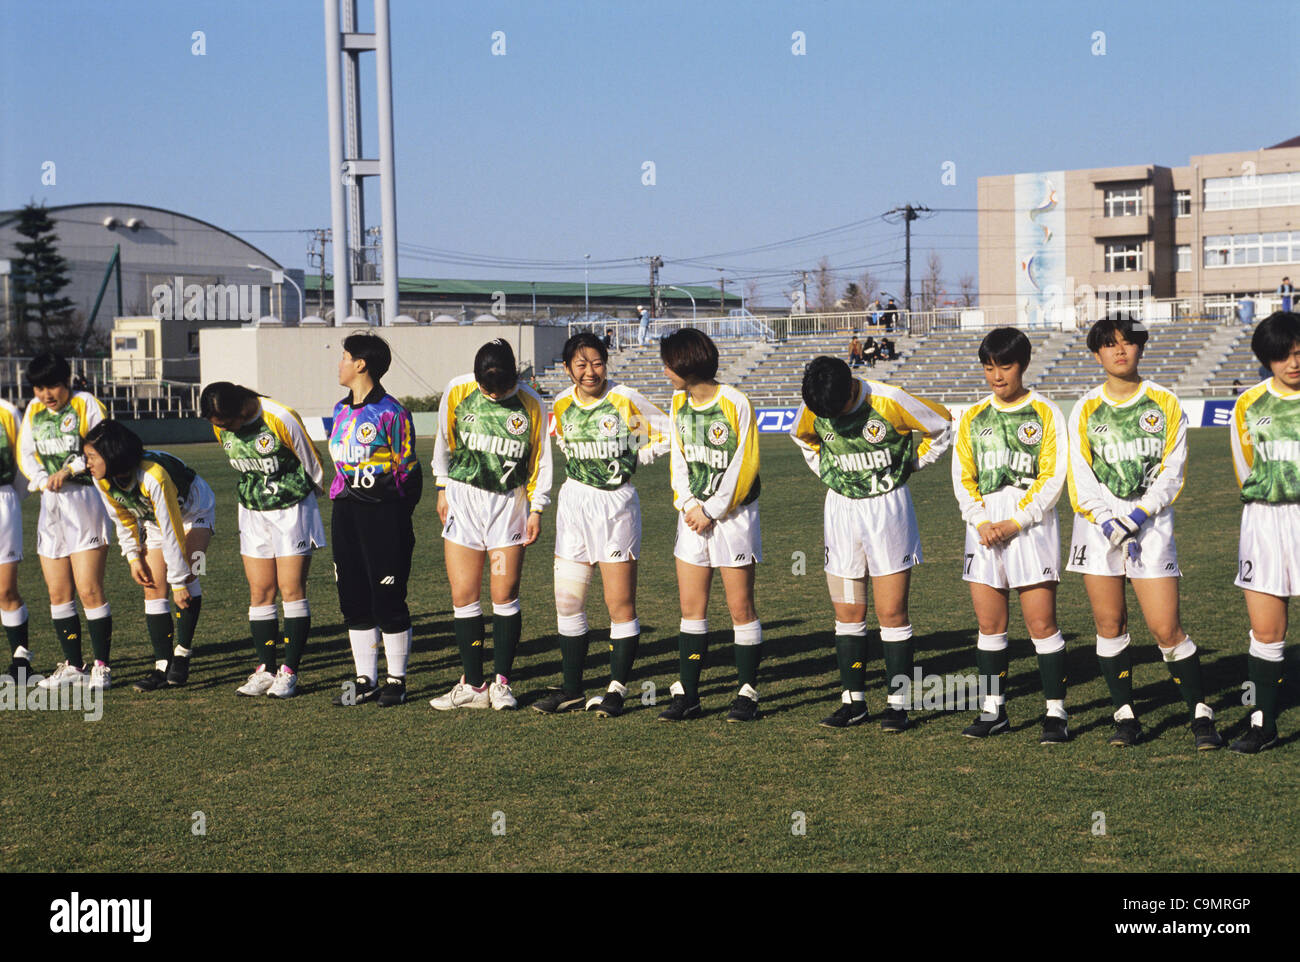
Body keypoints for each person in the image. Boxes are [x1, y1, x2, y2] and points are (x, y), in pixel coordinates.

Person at [1066, 317, 1221, 749]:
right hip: (1097, 528)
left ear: (1140, 348)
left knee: (1166, 628)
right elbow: (1080, 476)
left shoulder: (1164, 401)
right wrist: (1106, 519)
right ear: (1096, 354)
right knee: (1109, 624)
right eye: (1109, 344)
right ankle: (1125, 716)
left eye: (1128, 343)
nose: (1120, 351)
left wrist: (1135, 517)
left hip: (1150, 524)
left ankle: (1200, 713)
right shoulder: (1085, 408)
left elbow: (1172, 471)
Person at [791, 356, 952, 731]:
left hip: (886, 510)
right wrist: (827, 469)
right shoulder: (816, 401)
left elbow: (942, 425)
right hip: (841, 513)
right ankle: (853, 702)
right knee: (848, 612)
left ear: (851, 388)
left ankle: (898, 705)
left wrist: (912, 463)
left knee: (891, 612)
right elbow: (802, 436)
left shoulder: (888, 399)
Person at [536, 331, 669, 716]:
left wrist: (638, 456)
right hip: (574, 505)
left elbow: (669, 432)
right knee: (568, 601)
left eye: (597, 363)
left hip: (615, 507)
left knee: (618, 603)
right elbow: (563, 441)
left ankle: (616, 689)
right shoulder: (562, 403)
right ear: (567, 369)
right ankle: (571, 689)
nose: (590, 371)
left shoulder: (623, 399)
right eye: (581, 365)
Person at [951, 328, 1070, 742]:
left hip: (1030, 530)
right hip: (983, 530)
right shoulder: (973, 416)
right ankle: (993, 710)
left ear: (1023, 364)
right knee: (989, 625)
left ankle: (1056, 713)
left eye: (1005, 366)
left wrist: (1016, 521)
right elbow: (963, 476)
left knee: (1041, 624)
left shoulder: (1046, 412)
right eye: (989, 367)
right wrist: (980, 520)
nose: (997, 376)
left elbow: (1052, 477)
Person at [430, 338, 552, 711]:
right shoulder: (458, 389)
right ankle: (473, 686)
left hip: (507, 507)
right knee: (464, 595)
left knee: (504, 594)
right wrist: (442, 487)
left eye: (501, 389)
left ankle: (501, 684)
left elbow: (541, 458)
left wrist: (537, 508)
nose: (494, 395)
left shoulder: (531, 403)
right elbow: (444, 442)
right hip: (464, 501)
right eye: (487, 388)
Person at [659, 327, 763, 722]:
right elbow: (679, 458)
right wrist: (689, 504)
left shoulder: (735, 402)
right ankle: (689, 694)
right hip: (691, 517)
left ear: (686, 363)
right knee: (691, 608)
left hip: (733, 518)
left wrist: (712, 510)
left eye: (668, 364)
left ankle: (747, 694)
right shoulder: (677, 402)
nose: (665, 371)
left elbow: (744, 465)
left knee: (740, 607)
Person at [200, 381, 326, 699]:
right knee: (260, 591)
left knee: (291, 589)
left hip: (292, 510)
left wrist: (304, 506)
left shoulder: (280, 417)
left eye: (227, 423)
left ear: (242, 409)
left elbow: (314, 466)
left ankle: (289, 672)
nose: (225, 430)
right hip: (252, 511)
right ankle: (265, 670)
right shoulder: (221, 427)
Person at [328, 333, 422, 708]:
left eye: (344, 357)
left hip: (383, 515)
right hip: (345, 513)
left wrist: (393, 516)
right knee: (353, 597)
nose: (339, 364)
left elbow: (408, 471)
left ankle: (396, 680)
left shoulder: (391, 412)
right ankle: (364, 680)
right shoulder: (339, 410)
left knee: (387, 598)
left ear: (361, 364)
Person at [83, 420, 212, 691]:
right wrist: (133, 556)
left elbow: (173, 529)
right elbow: (122, 518)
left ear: (112, 454)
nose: (88, 464)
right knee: (153, 587)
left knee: (191, 571)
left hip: (196, 511)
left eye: (92, 457)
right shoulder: (102, 479)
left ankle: (183, 653)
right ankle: (162, 666)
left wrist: (177, 582)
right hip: (153, 520)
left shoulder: (154, 476)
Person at [17, 354, 113, 691]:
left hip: (85, 502)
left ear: (67, 381)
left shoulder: (85, 404)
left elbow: (103, 445)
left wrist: (68, 470)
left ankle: (101, 666)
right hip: (51, 506)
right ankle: (74, 665)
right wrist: (42, 478)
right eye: (39, 387)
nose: (46, 394)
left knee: (89, 589)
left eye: (53, 386)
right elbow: (26, 453)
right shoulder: (34, 410)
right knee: (58, 592)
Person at [1227, 310, 1300, 753]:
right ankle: (1261, 722)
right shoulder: (1249, 403)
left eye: (1299, 352)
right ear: (1266, 358)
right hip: (1265, 522)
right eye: (1282, 355)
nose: (1294, 362)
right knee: (1266, 631)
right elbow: (1246, 468)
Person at [0, 395, 32, 682]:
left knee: (5, 590)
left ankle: (21, 661)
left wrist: (13, 499)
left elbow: (22, 463)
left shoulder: (7, 412)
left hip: (2, 501)